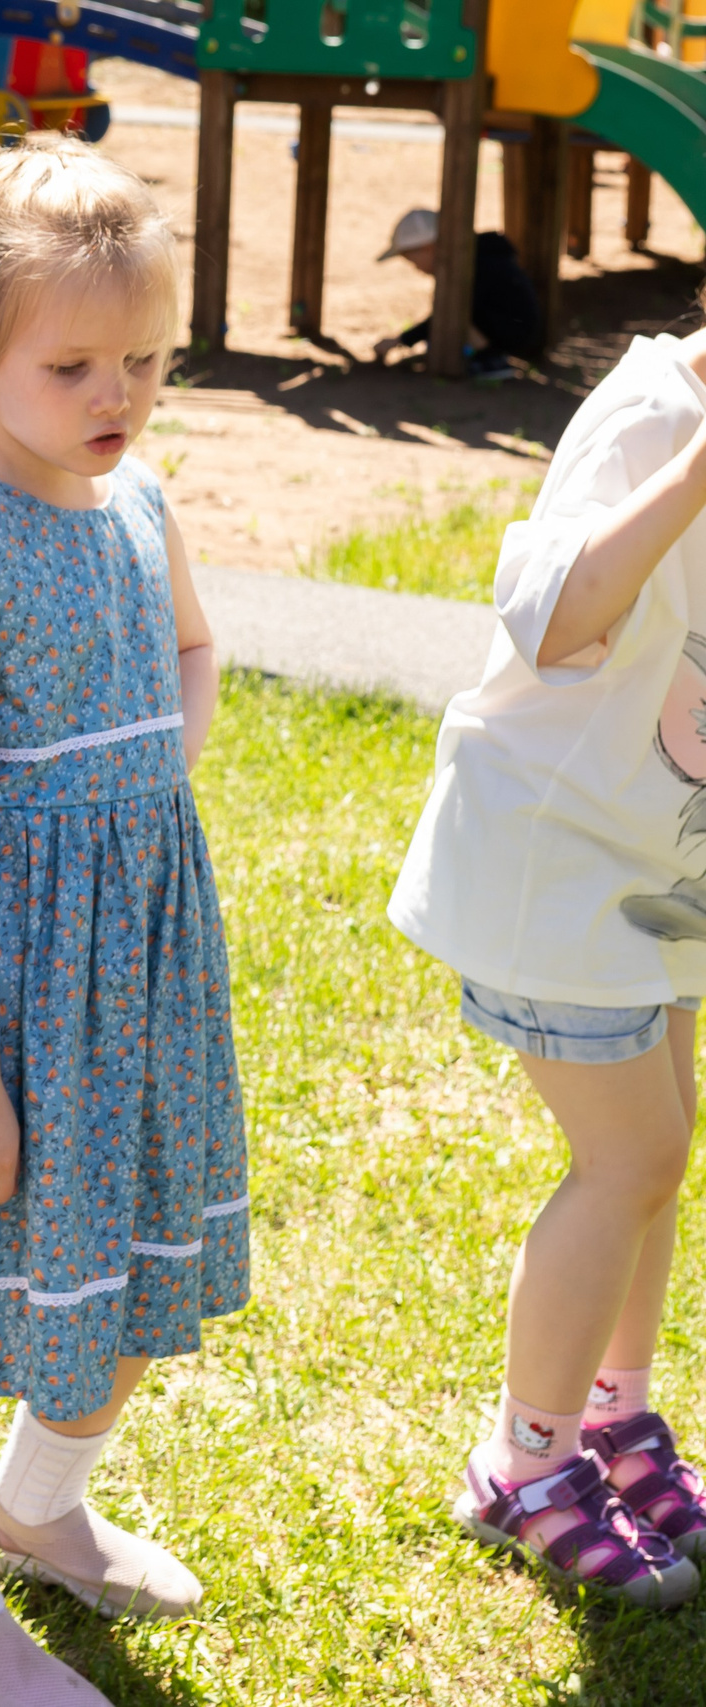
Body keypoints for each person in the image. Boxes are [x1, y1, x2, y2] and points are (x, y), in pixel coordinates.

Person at [0, 136, 246, 1704]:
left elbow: (195, 648)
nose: (117, 395)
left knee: (135, 1249)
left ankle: (39, 1505)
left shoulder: (136, 497)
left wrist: (145, 779)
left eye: (144, 360)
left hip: (133, 966)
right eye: (73, 365)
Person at [387, 301, 706, 1606]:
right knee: (630, 1158)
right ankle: (523, 1464)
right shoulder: (651, 418)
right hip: (553, 861)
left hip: (654, 868)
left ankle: (612, 1418)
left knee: (661, 1151)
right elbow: (554, 618)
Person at [370, 207, 544, 378]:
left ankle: (489, 360)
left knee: (453, 312)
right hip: (514, 329)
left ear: (427, 248)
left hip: (516, 334)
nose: (415, 267)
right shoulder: (477, 256)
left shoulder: (475, 266)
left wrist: (400, 340)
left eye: (412, 260)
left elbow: (448, 314)